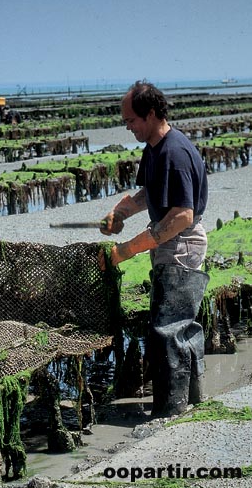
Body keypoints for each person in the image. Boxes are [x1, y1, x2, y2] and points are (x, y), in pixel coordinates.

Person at [100, 80, 209, 418]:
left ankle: (170, 412)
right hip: (172, 243)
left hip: (182, 243)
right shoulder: (154, 149)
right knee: (180, 324)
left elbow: (180, 216)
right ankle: (192, 400)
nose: (128, 126)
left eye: (131, 120)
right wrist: (120, 213)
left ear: (150, 114)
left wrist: (126, 250)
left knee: (168, 329)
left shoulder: (174, 152)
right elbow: (151, 194)